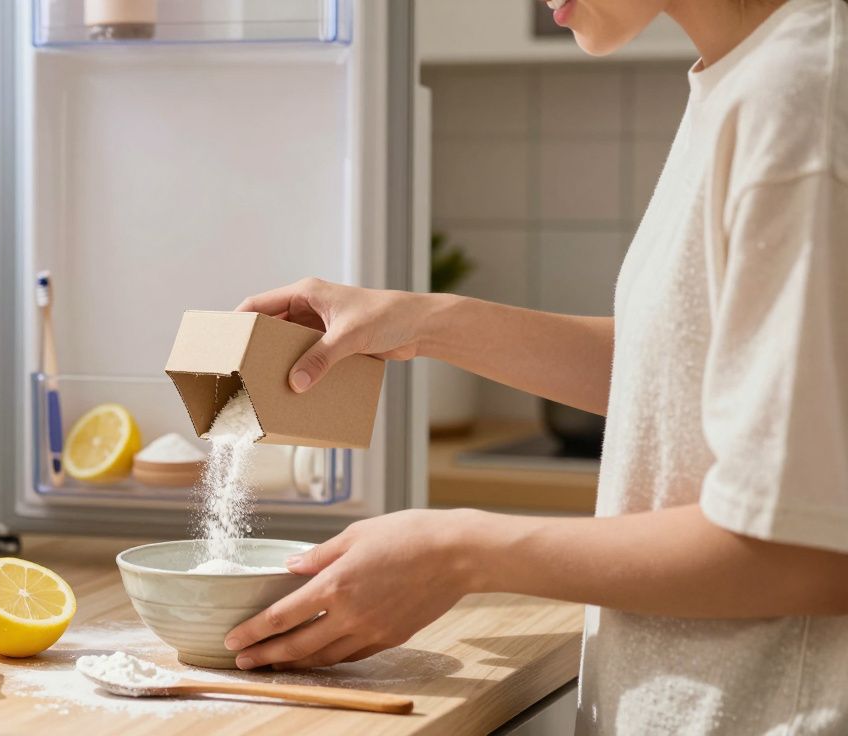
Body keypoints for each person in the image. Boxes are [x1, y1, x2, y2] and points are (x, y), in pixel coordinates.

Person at [223, 0, 848, 732]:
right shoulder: (746, 75)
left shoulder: (800, 99)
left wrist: (463, 552)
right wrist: (421, 321)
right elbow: (685, 373)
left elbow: (806, 549)